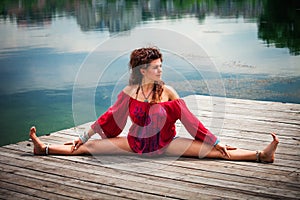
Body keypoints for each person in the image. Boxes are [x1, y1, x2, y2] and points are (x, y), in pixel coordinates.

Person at [29, 47, 279, 163]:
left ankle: (261, 155)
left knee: (215, 153)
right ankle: (45, 149)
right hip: (135, 144)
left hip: (166, 144)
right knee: (88, 147)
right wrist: (83, 136)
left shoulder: (169, 92)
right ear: (143, 71)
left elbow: (191, 121)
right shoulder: (130, 91)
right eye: (156, 66)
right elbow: (109, 116)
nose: (161, 70)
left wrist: (215, 140)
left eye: (161, 65)